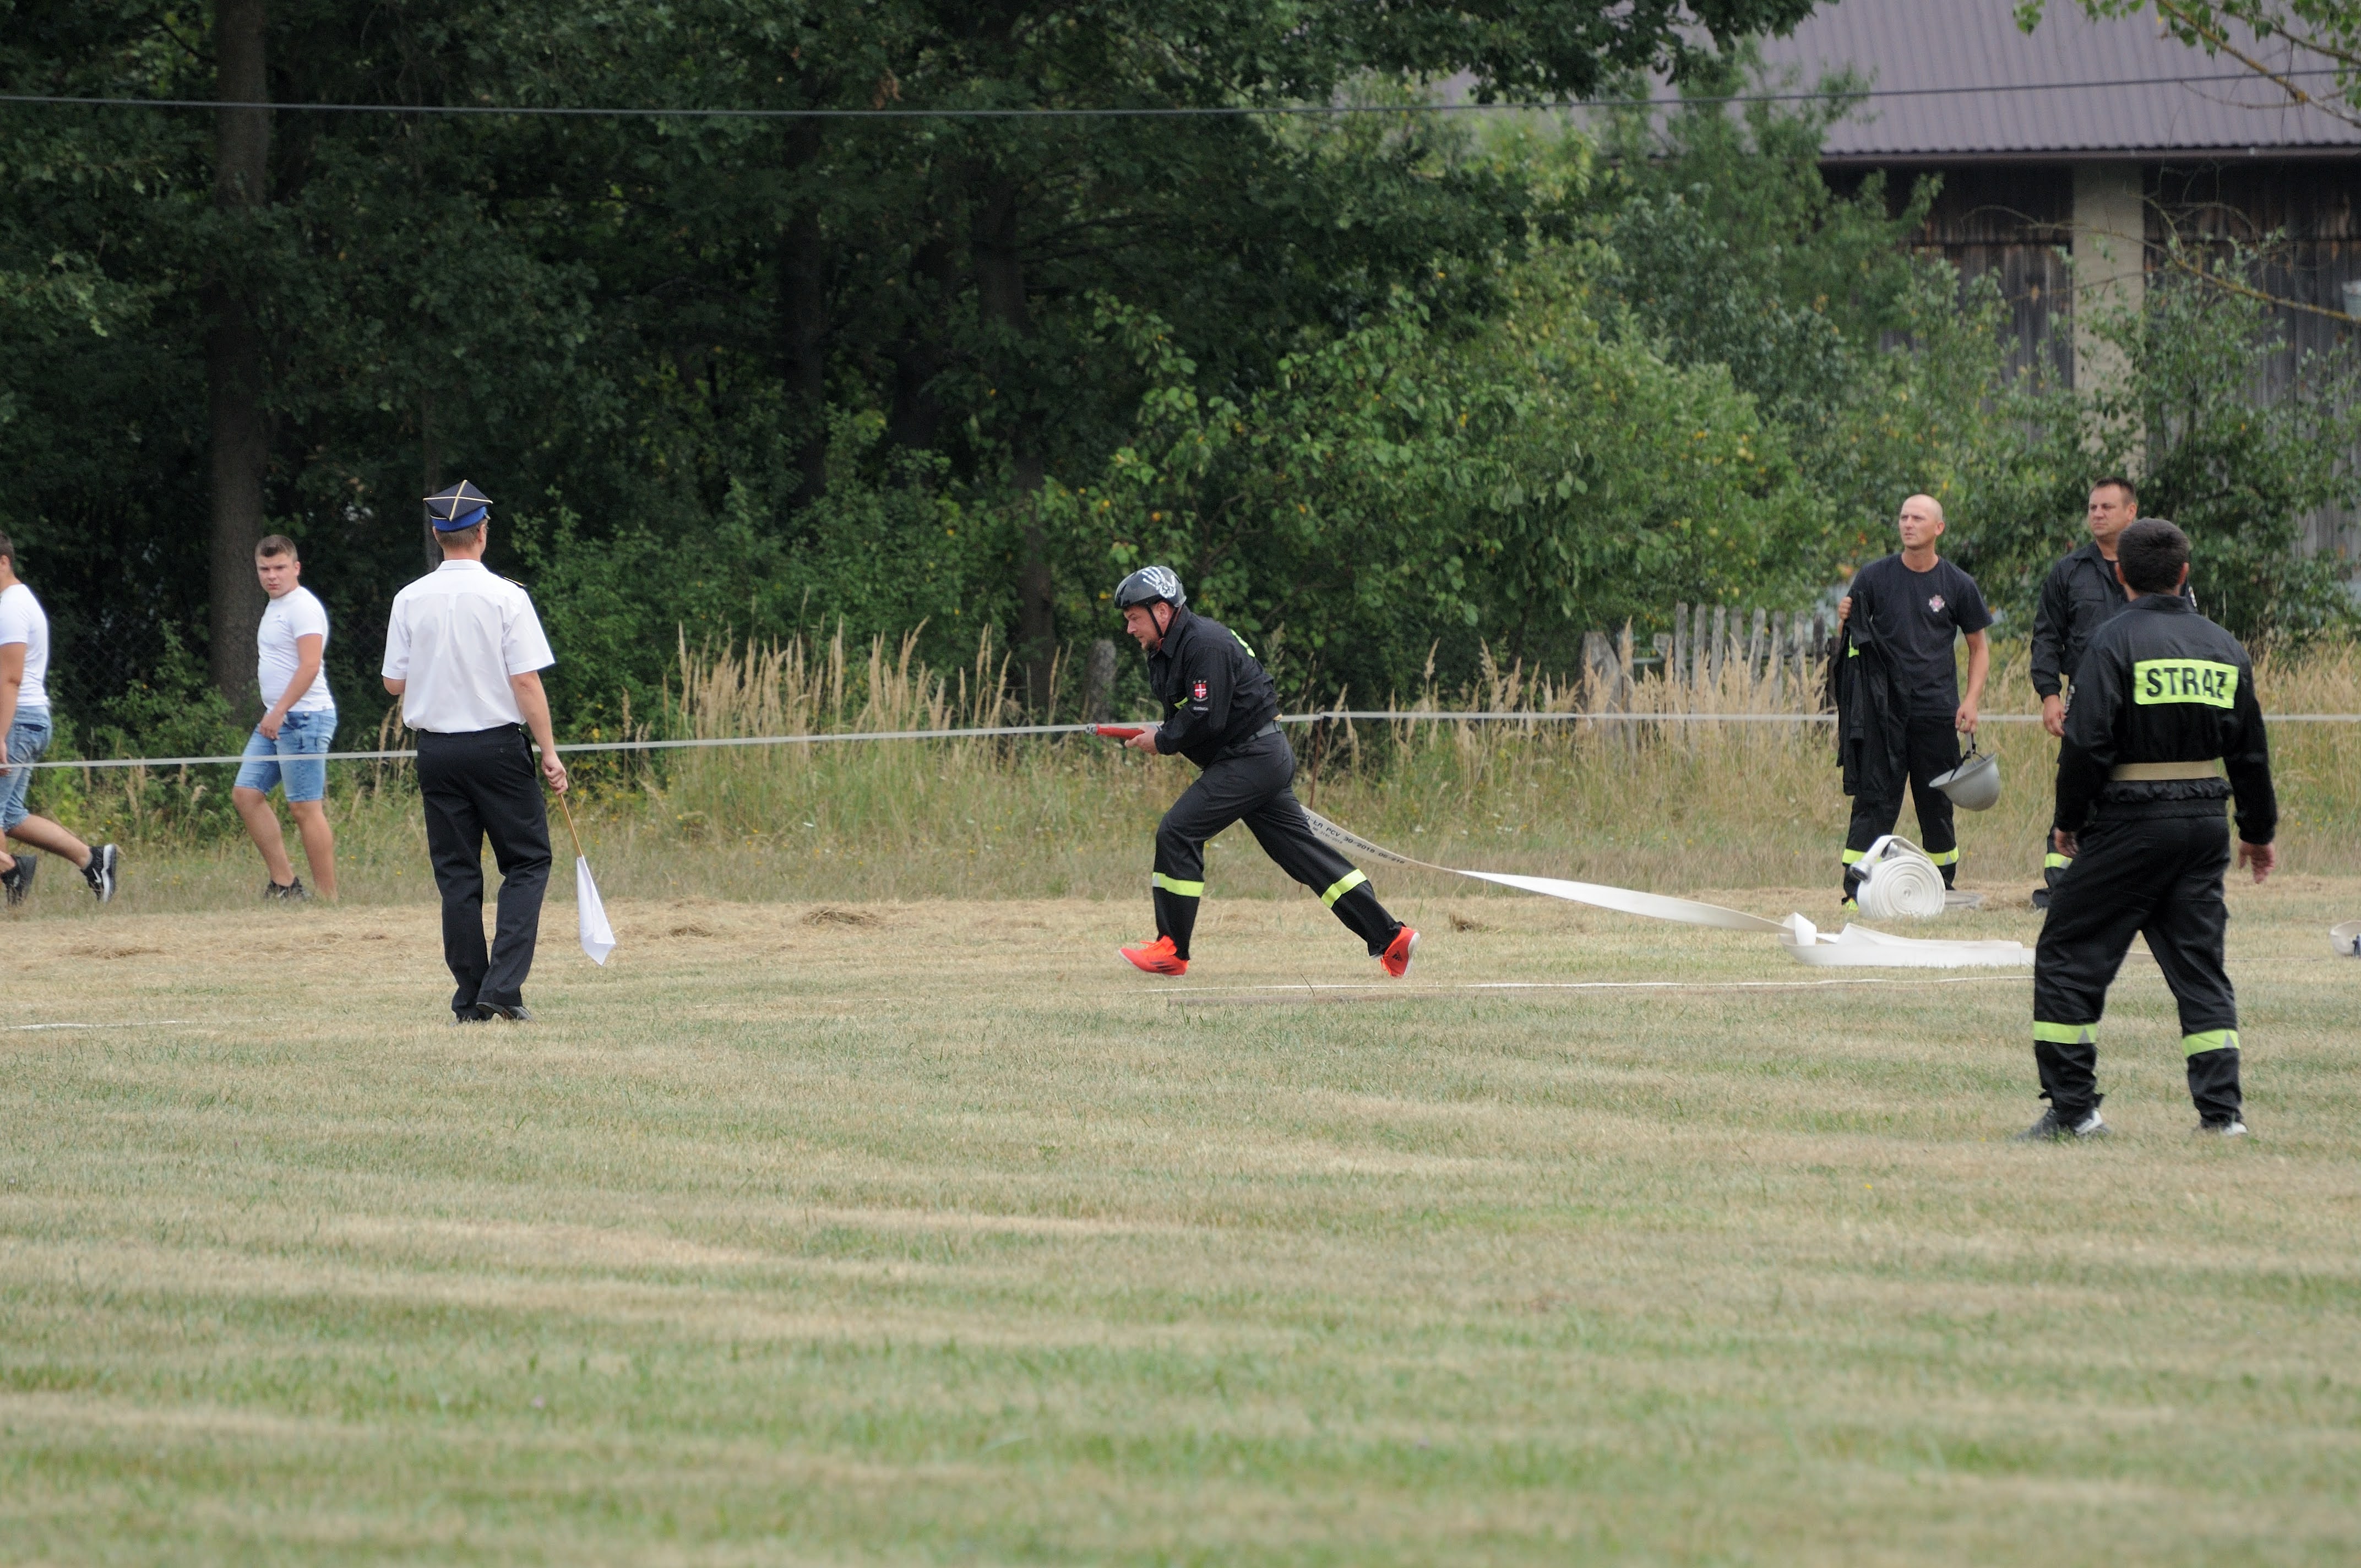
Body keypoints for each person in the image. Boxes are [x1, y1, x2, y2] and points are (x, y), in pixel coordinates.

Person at [2019, 519, 2274, 1141]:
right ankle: (2222, 1116)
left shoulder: (2111, 642)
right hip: (2203, 824)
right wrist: (2257, 829)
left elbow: (2087, 743)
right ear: (2184, 574)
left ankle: (2074, 1111)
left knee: (2067, 955)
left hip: (2131, 820)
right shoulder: (2222, 646)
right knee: (2200, 968)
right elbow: (2249, 751)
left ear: (2120, 574)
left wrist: (2069, 821)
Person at [1109, 565, 1417, 979]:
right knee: (1305, 858)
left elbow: (1207, 717)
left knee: (1177, 832)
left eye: (1134, 618)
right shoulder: (1169, 650)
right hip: (1255, 760)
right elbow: (1193, 714)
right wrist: (1161, 731)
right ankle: (1392, 937)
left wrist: (1163, 740)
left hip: (1251, 759)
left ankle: (1172, 950)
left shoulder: (1204, 644)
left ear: (1162, 611)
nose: (1129, 629)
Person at [382, 482, 567, 1022]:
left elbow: (393, 683)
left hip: (437, 752)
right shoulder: (507, 597)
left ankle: (469, 999)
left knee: (458, 875)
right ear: (483, 533)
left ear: (437, 535)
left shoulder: (409, 598)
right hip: (497, 748)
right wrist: (549, 752)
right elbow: (526, 681)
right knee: (527, 861)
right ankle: (502, 985)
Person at [1834, 494, 1991, 910]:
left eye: (1918, 518)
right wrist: (1843, 616)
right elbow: (1849, 637)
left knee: (1936, 804)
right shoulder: (1874, 577)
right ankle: (1856, 890)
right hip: (1883, 713)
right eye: (1904, 516)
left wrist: (1971, 701)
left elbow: (1979, 648)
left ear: (1938, 528)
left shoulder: (1958, 584)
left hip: (1936, 711)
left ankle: (1941, 887)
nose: (1908, 523)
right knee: (1874, 800)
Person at [2026, 477, 2137, 908]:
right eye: (2093, 507)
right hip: (2086, 700)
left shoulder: (2153, 569)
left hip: (2144, 701)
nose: (2097, 514)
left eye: (2107, 507)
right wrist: (2049, 695)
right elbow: (2046, 637)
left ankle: (2133, 886)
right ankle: (2062, 889)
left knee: (2141, 790)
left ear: (2131, 512)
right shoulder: (2069, 571)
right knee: (2077, 786)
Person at [0, 531, 121, 907]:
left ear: (3, 562)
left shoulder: (11, 608)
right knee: (11, 816)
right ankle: (92, 860)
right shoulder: (14, 602)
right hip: (26, 719)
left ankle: (12, 871)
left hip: (16, 722)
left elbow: (11, 678)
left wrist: (0, 735)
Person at [232, 535, 339, 900]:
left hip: (304, 718)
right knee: (246, 794)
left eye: (280, 568)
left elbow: (310, 665)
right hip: (277, 719)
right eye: (265, 569)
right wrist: (275, 714)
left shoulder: (302, 607)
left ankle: (328, 899)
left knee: (305, 808)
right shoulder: (275, 606)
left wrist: (279, 711)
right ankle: (285, 885)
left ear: (296, 568)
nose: (272, 576)